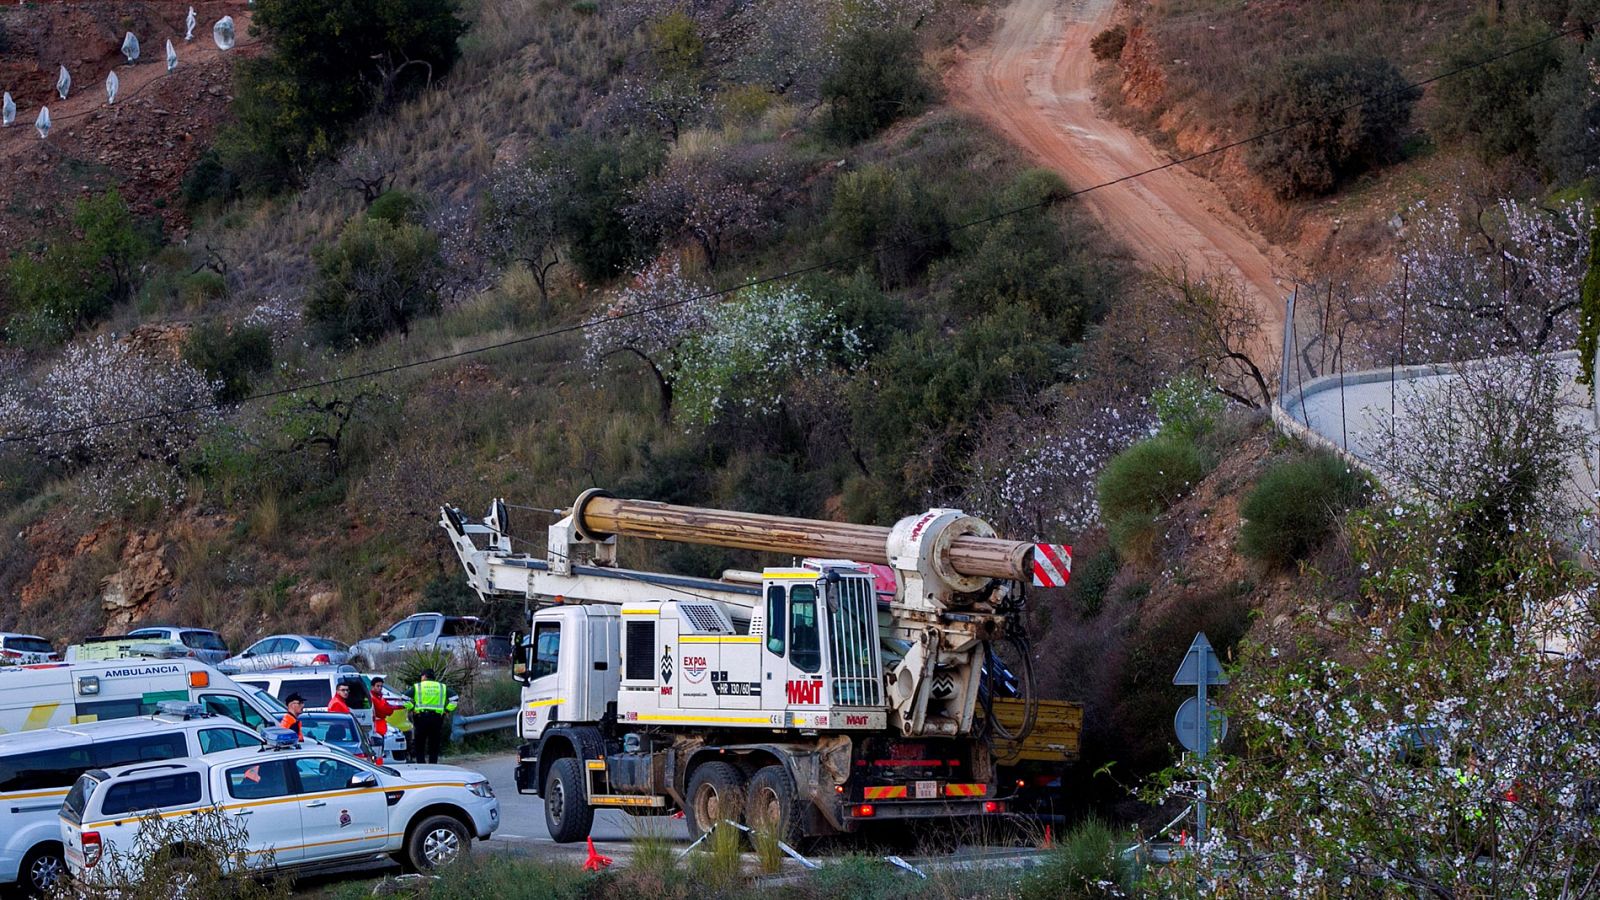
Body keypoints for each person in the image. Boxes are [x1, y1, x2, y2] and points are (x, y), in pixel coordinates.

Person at [409, 669, 456, 764]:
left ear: (424, 676)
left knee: (420, 743)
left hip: (421, 717)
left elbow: (404, 698)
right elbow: (455, 699)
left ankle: (421, 765)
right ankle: (433, 765)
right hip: (437, 718)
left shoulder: (418, 686)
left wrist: (412, 708)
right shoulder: (442, 687)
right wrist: (447, 710)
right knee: (434, 743)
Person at [370, 676, 406, 762]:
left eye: (381, 686)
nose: (380, 688)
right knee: (377, 750)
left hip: (380, 726)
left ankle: (379, 764)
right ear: (373, 686)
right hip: (376, 726)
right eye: (377, 686)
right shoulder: (373, 698)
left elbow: (387, 710)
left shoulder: (379, 697)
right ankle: (378, 765)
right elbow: (383, 709)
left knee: (380, 750)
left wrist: (388, 708)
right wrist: (388, 708)